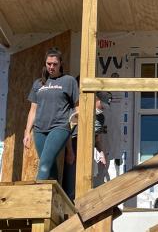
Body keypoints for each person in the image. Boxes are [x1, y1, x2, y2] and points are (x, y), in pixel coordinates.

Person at [23, 48, 79, 180]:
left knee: (44, 164)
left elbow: (77, 107)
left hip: (60, 127)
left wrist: (74, 121)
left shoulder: (69, 81)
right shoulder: (38, 83)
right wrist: (27, 133)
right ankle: (55, 197)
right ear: (45, 63)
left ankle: (36, 196)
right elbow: (33, 110)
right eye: (49, 64)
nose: (51, 67)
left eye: (55, 64)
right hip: (39, 130)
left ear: (60, 64)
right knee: (49, 164)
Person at [63, 91, 112, 200]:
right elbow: (67, 132)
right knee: (70, 181)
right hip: (74, 146)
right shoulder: (79, 110)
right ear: (97, 100)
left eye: (105, 106)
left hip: (88, 152)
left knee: (82, 183)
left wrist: (101, 153)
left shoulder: (101, 118)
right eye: (102, 105)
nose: (103, 108)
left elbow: (97, 139)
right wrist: (70, 151)